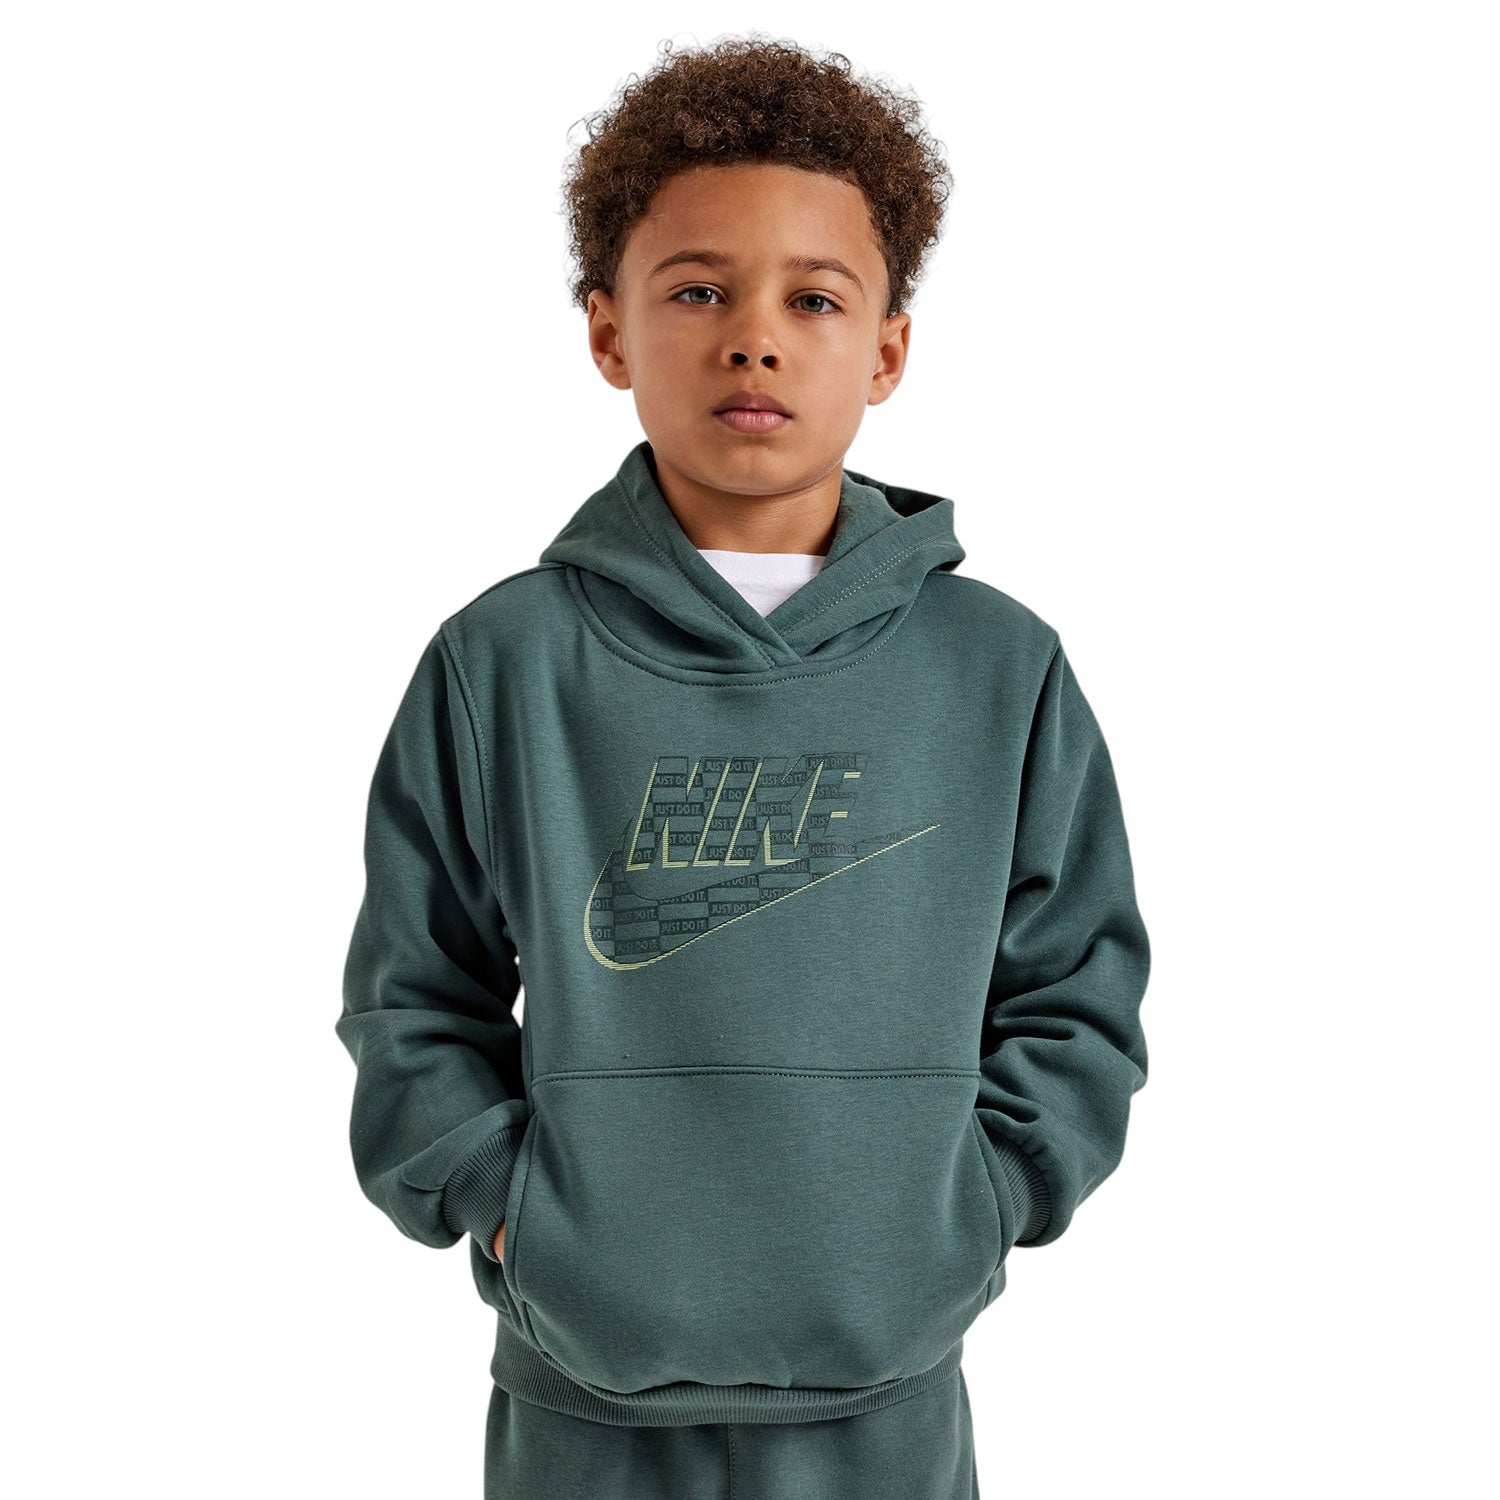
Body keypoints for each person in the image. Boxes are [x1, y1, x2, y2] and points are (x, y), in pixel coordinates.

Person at [337, 33, 1151, 1500]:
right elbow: (414, 995)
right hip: (581, 1394)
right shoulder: (502, 663)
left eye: (813, 298)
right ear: (608, 333)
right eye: (699, 291)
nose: (754, 339)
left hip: (889, 1391)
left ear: (887, 349)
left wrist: (974, 1208)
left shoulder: (1000, 669)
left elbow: (1077, 992)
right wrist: (507, 1208)